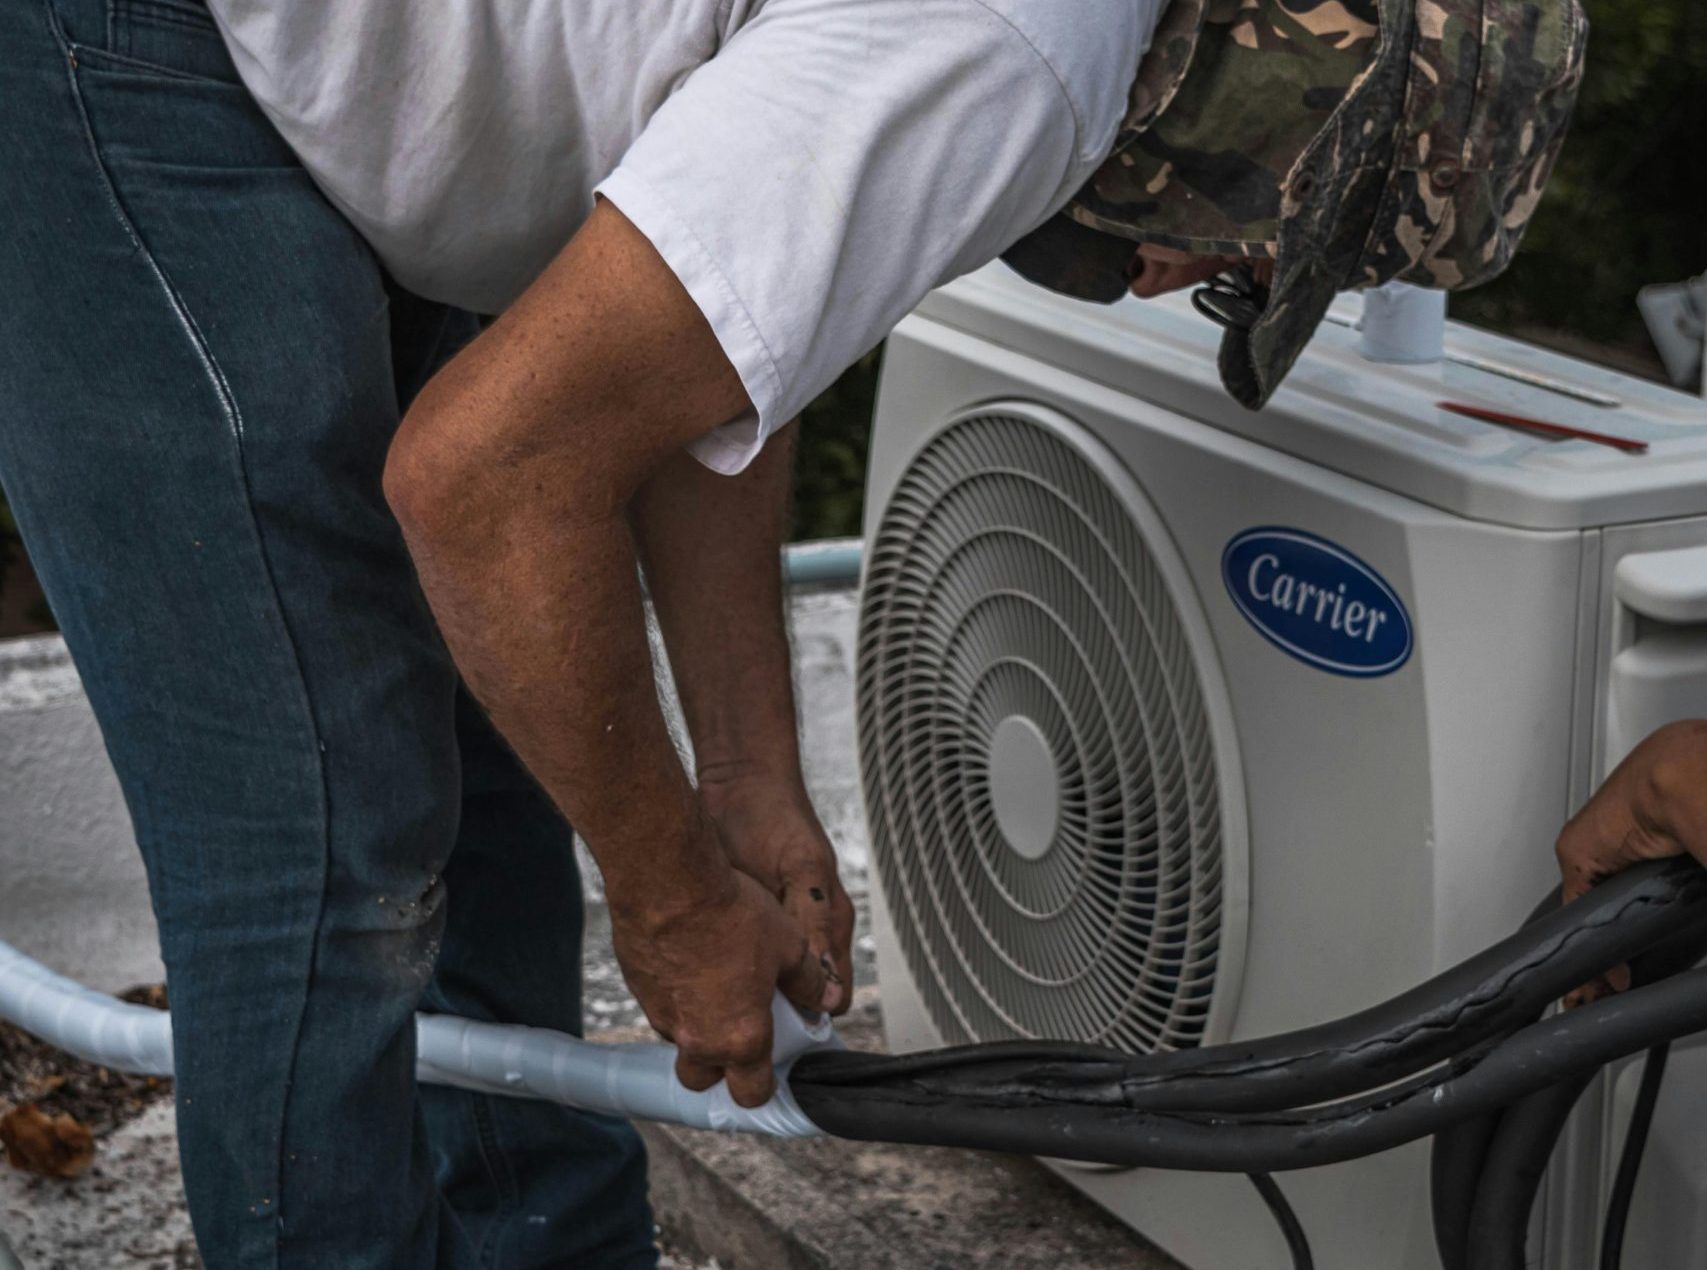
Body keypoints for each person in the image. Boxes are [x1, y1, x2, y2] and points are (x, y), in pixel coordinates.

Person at [0, 0, 1595, 1265]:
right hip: (142, 41)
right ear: (1272, 107)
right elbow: (482, 482)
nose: (1189, 279)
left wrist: (747, 780)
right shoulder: (1024, 55)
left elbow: (712, 355)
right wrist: (678, 899)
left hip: (342, 58)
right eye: (1251, 256)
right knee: (332, 831)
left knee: (509, 742)